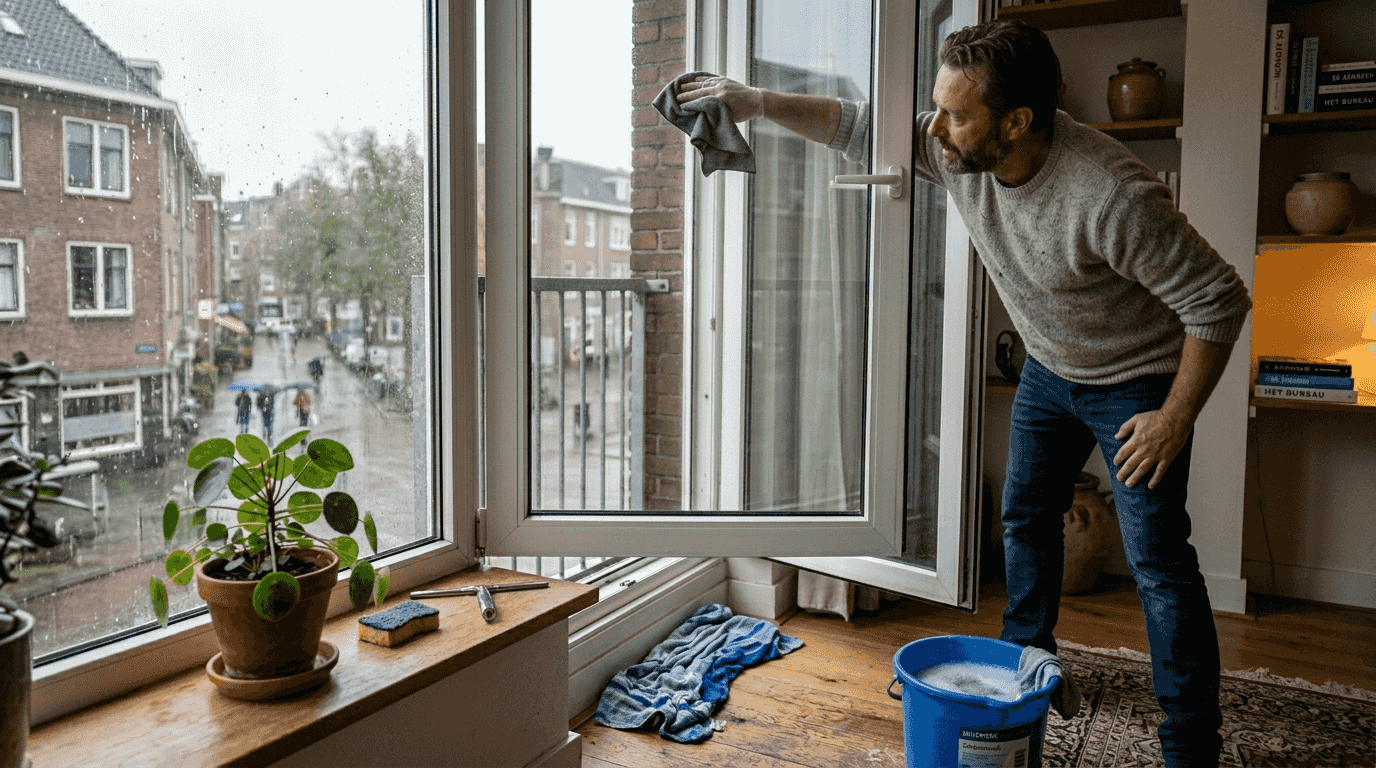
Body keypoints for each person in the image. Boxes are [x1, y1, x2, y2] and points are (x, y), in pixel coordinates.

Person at [674, 19, 1251, 767]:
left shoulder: (1111, 196)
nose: (936, 128)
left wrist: (1175, 418)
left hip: (1136, 381)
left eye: (956, 113)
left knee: (1160, 566)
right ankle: (1026, 674)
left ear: (1016, 122)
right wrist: (753, 101)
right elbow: (853, 124)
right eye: (938, 107)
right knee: (1026, 520)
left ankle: (1190, 747)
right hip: (1050, 367)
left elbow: (1218, 300)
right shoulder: (960, 149)